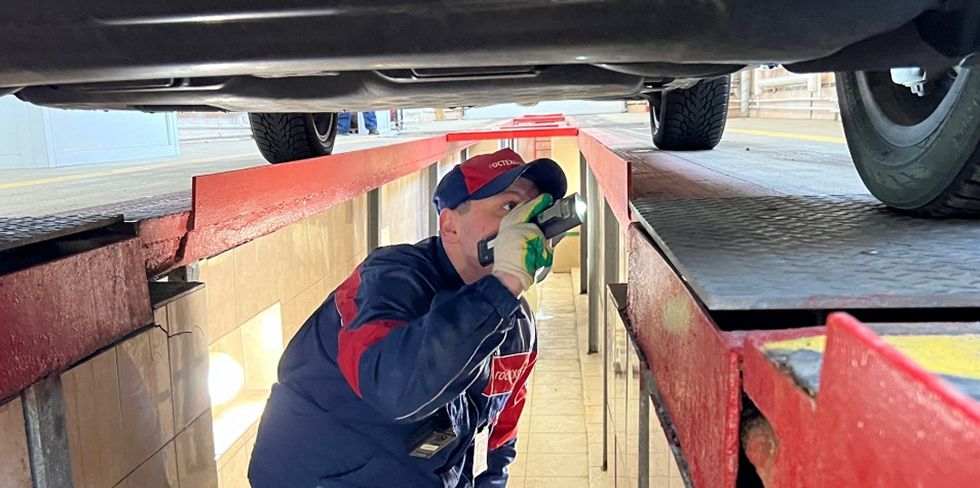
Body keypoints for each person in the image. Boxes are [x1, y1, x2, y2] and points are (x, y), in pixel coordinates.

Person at [248, 148, 567, 488]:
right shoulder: (388, 279)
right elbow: (396, 391)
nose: (528, 224)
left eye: (536, 210)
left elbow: (499, 430)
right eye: (509, 207)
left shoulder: (516, 324)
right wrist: (504, 283)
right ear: (450, 226)